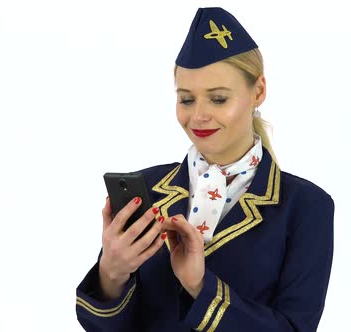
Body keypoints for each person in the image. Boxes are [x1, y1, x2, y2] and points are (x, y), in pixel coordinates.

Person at [75, 7, 334, 332]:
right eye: (186, 100)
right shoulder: (149, 188)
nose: (198, 116)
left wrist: (201, 287)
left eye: (218, 99)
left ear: (259, 91)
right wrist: (111, 274)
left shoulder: (306, 207)